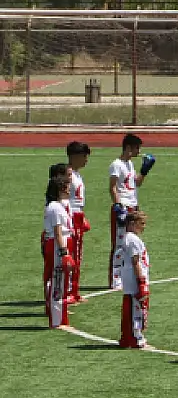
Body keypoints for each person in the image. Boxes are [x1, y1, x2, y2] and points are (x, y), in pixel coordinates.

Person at [108, 133, 149, 289]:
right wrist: (118, 206)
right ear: (128, 148)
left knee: (130, 242)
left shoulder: (130, 165)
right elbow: (112, 187)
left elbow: (135, 184)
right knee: (119, 244)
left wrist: (145, 170)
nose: (139, 151)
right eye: (137, 148)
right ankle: (115, 279)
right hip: (123, 207)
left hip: (133, 205)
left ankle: (125, 275)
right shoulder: (116, 164)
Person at [115, 208, 151, 349]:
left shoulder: (128, 238)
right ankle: (135, 338)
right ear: (132, 223)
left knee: (132, 306)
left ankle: (129, 337)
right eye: (141, 223)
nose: (143, 227)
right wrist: (141, 281)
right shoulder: (133, 239)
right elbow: (136, 261)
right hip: (134, 279)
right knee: (136, 308)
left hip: (131, 278)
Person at [42, 169, 74, 330]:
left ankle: (60, 317)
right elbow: (58, 232)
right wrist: (64, 252)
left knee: (61, 281)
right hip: (57, 244)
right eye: (67, 186)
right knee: (57, 280)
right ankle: (55, 321)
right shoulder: (55, 207)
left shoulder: (58, 206)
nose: (70, 189)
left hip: (60, 243)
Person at [65, 141, 92, 304]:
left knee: (78, 255)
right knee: (72, 255)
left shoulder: (77, 174)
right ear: (74, 156)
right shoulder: (68, 175)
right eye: (84, 156)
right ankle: (68, 291)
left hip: (78, 216)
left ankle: (74, 291)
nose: (86, 160)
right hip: (71, 217)